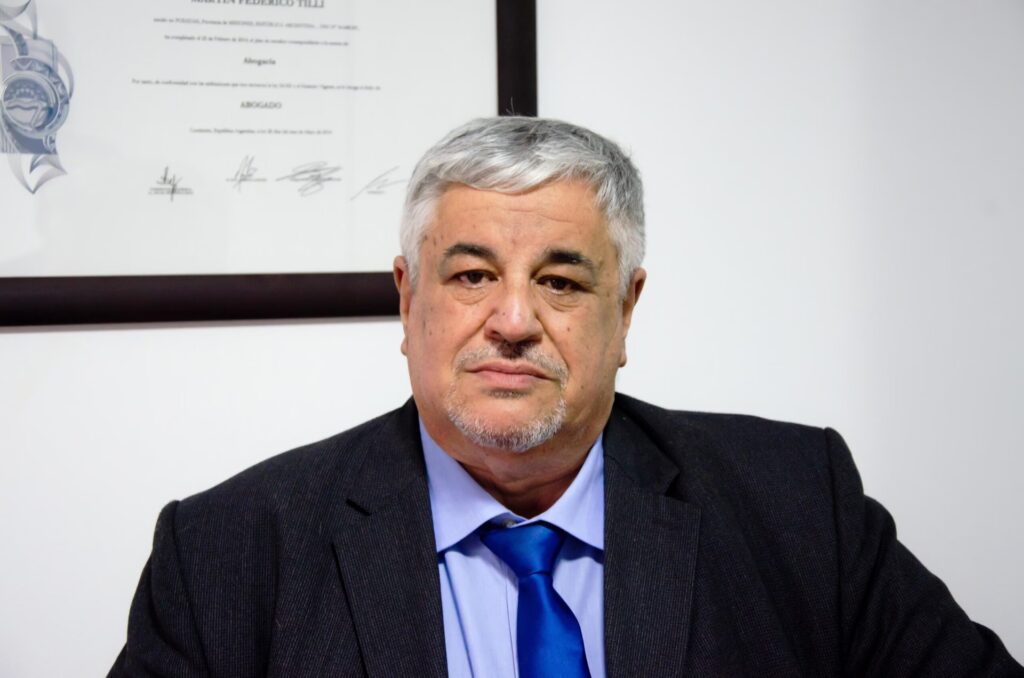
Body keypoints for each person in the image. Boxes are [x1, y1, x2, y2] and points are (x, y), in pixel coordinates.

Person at [109, 117, 1023, 677]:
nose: (513, 321)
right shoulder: (228, 553)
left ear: (624, 311)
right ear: (408, 299)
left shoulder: (798, 507)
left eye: (561, 282)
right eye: (472, 275)